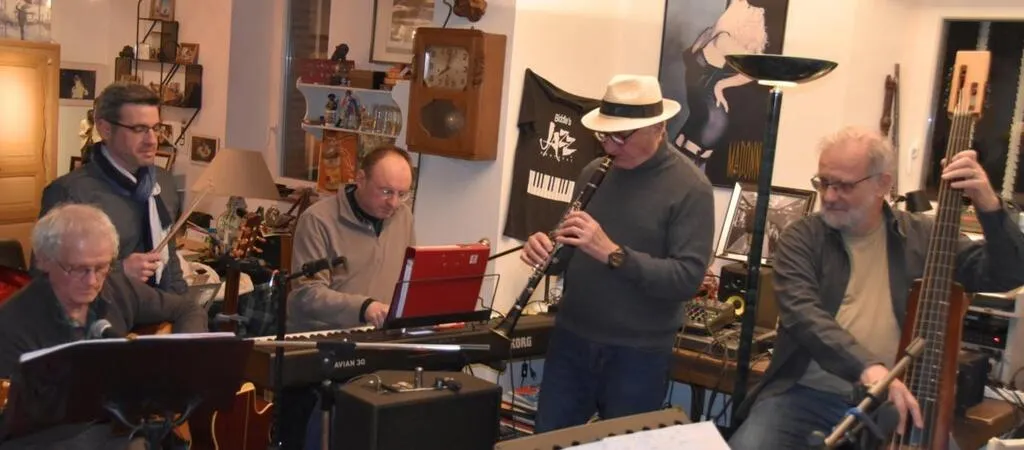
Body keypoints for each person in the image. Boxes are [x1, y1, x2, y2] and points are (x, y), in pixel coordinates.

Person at [729, 126, 1024, 449]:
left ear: (882, 184)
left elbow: (1009, 273)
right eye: (823, 182)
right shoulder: (801, 238)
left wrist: (988, 204)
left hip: (894, 402)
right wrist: (869, 369)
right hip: (805, 396)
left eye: (843, 186)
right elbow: (803, 315)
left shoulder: (925, 237)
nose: (829, 196)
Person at [521, 74, 715, 433]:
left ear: (658, 127)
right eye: (604, 136)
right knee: (547, 439)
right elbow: (567, 252)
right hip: (572, 339)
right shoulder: (593, 172)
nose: (609, 147)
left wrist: (613, 254)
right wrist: (546, 250)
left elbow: (687, 279)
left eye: (621, 136)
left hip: (637, 353)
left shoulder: (691, 188)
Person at [0, 204, 207, 449]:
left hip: (124, 428)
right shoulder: (12, 324)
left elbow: (188, 308)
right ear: (45, 260)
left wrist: (179, 361)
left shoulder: (117, 288)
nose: (92, 281)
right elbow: (18, 425)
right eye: (78, 269)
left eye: (101, 267)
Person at [39, 82, 187, 295]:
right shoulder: (70, 193)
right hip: (101, 313)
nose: (152, 140)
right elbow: (46, 279)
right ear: (105, 129)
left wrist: (185, 308)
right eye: (139, 129)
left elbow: (170, 262)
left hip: (159, 309)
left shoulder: (163, 183)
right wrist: (120, 272)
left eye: (156, 128)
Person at [289, 145, 416, 332]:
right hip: (324, 335)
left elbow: (409, 278)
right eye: (386, 192)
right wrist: (364, 308)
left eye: (402, 194)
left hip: (380, 333)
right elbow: (307, 293)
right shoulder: (317, 219)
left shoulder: (403, 217)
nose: (394, 203)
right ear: (361, 179)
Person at [672, 0, 767, 169]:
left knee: (686, 170)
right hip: (702, 115)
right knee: (680, 169)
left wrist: (720, 85)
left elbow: (755, 69)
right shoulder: (721, 38)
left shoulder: (718, 38)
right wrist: (720, 85)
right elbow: (756, 69)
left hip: (709, 117)